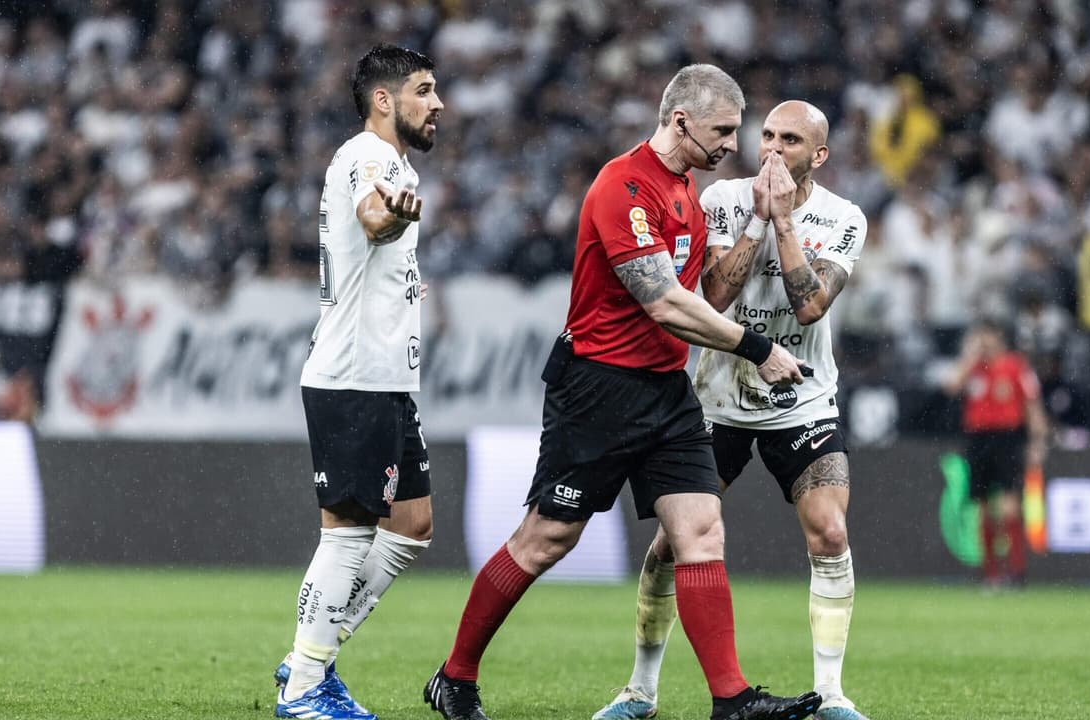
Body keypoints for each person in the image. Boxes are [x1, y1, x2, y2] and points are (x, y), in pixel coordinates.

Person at [422, 65, 820, 720]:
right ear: (681, 119)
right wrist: (757, 347)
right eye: (723, 130)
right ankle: (454, 676)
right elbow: (663, 302)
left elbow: (703, 298)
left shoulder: (687, 193)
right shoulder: (624, 187)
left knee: (700, 531)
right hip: (598, 389)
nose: (733, 145)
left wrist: (757, 224)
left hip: (665, 392)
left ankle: (731, 700)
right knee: (547, 538)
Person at [593, 101, 872, 720]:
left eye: (790, 140)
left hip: (800, 397)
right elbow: (713, 296)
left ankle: (830, 694)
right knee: (670, 543)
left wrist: (784, 225)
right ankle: (640, 689)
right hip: (716, 395)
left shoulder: (844, 218)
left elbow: (811, 306)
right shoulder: (719, 199)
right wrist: (754, 224)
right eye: (766, 135)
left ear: (818, 155)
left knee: (830, 531)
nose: (771, 149)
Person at [273, 44, 444, 720]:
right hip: (352, 378)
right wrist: (393, 215)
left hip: (383, 379)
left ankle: (312, 651)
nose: (438, 104)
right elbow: (375, 219)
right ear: (384, 99)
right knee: (347, 533)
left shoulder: (389, 163)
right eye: (424, 90)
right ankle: (306, 685)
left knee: (411, 526)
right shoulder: (369, 158)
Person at [943, 319, 1049, 589]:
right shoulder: (974, 367)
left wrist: (1038, 441)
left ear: (999, 336)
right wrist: (969, 358)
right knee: (982, 509)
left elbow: (1032, 405)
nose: (984, 342)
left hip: (1007, 439)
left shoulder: (1015, 366)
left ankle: (1016, 572)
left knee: (1009, 507)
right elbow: (951, 387)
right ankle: (990, 575)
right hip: (978, 440)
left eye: (987, 336)